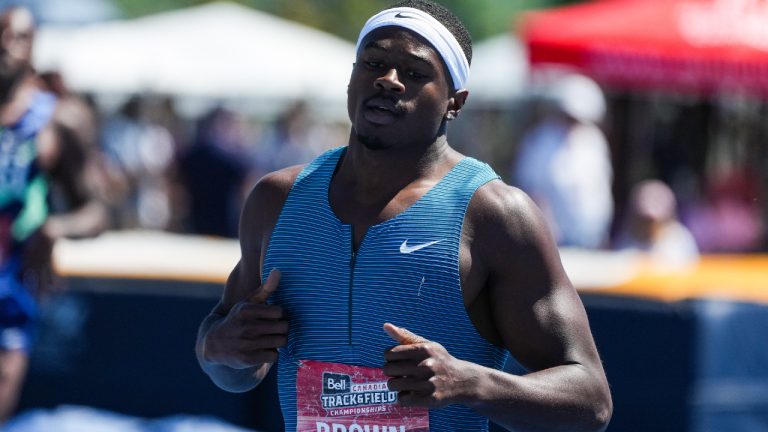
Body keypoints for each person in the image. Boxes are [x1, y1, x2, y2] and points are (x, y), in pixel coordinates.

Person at [196, 1, 612, 431]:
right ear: (352, 78)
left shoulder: (495, 215)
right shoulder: (277, 200)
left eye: (414, 73)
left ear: (455, 102)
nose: (388, 81)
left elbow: (591, 402)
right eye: (374, 63)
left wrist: (472, 383)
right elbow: (230, 368)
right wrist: (223, 348)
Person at [0, 6, 107, 423]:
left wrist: (54, 228)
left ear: (34, 49)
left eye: (19, 39)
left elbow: (97, 210)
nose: (7, 47)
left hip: (11, 298)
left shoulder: (54, 122)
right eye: (1, 35)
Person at [512, 73, 614, 249]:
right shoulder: (541, 138)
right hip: (554, 236)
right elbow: (531, 187)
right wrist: (545, 226)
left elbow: (600, 187)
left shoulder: (593, 140)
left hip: (591, 235)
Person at [614, 179, 699, 268]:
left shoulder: (679, 240)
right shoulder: (627, 240)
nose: (650, 224)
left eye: (654, 221)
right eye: (645, 220)